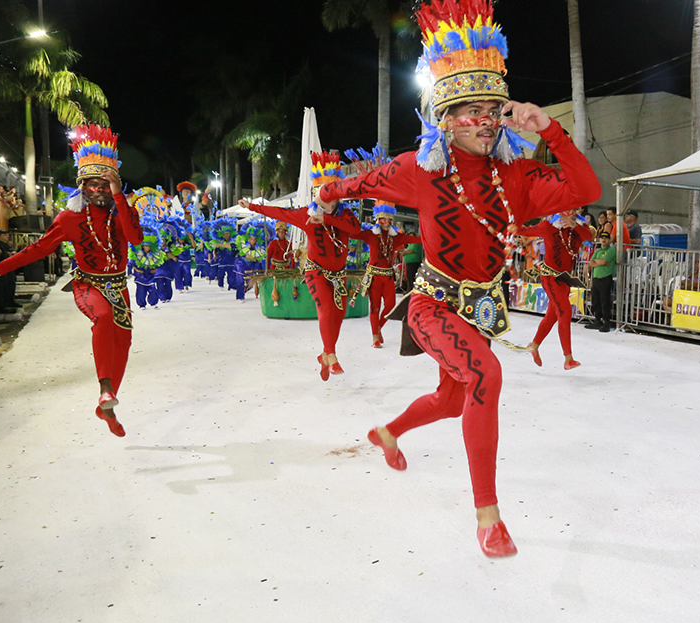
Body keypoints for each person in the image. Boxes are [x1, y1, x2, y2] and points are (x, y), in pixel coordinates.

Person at [313, 0, 600, 557]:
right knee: (486, 376)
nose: (488, 119)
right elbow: (363, 182)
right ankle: (488, 517)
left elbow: (585, 192)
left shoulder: (516, 174)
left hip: (482, 310)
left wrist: (550, 130)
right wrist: (325, 195)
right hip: (431, 306)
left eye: (494, 108)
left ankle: (387, 432)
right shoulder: (418, 171)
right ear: (445, 115)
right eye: (473, 109)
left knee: (453, 399)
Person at [0, 124, 142, 436]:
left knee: (122, 342)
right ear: (81, 186)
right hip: (88, 284)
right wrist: (0, 268)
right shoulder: (70, 217)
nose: (98, 190)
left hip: (119, 286)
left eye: (105, 184)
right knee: (103, 316)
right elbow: (40, 248)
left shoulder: (123, 210)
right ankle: (105, 386)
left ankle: (106, 404)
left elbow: (135, 239)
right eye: (91, 184)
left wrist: (119, 195)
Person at [239, 151, 362, 379]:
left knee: (339, 314)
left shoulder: (347, 216)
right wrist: (252, 206)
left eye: (332, 193)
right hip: (316, 271)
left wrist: (327, 219)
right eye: (323, 193)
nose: (328, 198)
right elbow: (279, 212)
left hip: (339, 275)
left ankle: (325, 354)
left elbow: (355, 230)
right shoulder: (305, 215)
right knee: (325, 307)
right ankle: (332, 355)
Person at [516, 209, 593, 368]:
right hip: (550, 276)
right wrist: (510, 220)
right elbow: (523, 230)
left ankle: (534, 345)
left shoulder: (578, 226)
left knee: (552, 316)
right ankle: (568, 358)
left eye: (576, 210)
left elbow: (589, 236)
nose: (572, 213)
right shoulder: (548, 225)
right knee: (564, 311)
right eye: (569, 210)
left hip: (564, 279)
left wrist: (574, 225)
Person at [356, 200, 421, 348]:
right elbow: (351, 233)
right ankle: (375, 337)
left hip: (389, 276)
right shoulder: (369, 235)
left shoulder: (396, 237)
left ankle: (378, 327)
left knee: (391, 306)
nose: (386, 223)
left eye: (389, 220)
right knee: (375, 307)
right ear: (377, 220)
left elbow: (417, 239)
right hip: (374, 277)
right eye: (383, 220)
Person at [587, 230, 616, 332]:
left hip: (605, 278)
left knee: (605, 301)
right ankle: (597, 320)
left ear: (609, 240)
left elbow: (603, 261)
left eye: (606, 238)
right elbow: (590, 263)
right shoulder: (597, 251)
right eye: (602, 238)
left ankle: (606, 323)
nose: (603, 239)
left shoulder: (611, 250)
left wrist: (598, 262)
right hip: (596, 278)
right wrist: (600, 262)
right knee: (596, 301)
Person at [129, 226, 163, 310]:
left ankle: (153, 302)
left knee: (153, 289)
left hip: (150, 275)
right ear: (142, 246)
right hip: (140, 276)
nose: (147, 248)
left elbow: (157, 263)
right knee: (141, 291)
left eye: (148, 246)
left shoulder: (154, 254)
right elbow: (131, 263)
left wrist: (154, 269)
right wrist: (137, 270)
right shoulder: (137, 253)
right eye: (145, 246)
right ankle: (142, 305)